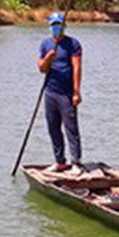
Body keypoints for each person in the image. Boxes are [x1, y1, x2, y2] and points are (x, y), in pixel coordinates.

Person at [38, 12, 83, 173]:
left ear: (64, 26)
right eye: (54, 25)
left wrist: (76, 92)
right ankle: (60, 161)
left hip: (67, 93)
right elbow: (42, 68)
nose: (57, 28)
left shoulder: (73, 44)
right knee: (53, 127)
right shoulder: (45, 44)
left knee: (71, 128)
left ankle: (76, 162)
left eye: (59, 25)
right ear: (50, 26)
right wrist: (49, 57)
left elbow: (77, 67)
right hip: (50, 92)